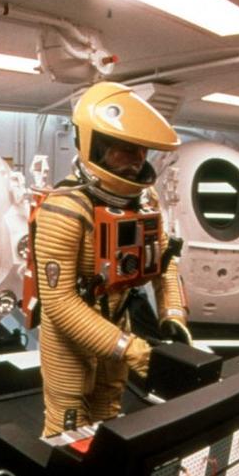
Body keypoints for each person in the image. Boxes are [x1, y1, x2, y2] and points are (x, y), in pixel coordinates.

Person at [34, 81, 191, 436]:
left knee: (109, 419)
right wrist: (133, 351)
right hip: (70, 340)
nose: (138, 160)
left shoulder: (145, 200)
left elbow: (164, 260)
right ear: (96, 145)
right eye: (126, 149)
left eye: (142, 151)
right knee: (68, 432)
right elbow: (59, 302)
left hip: (118, 325)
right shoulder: (65, 208)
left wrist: (173, 314)